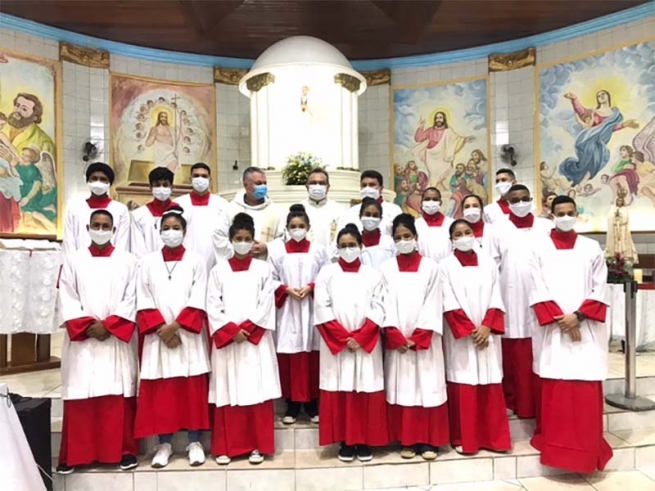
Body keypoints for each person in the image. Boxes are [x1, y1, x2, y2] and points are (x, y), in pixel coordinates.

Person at [529, 195, 613, 473]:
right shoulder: (538, 248)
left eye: (570, 212)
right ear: (551, 215)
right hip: (554, 331)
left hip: (586, 330)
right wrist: (562, 321)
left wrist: (577, 317)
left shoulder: (591, 248)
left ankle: (587, 450)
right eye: (560, 213)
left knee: (584, 389)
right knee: (557, 390)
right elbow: (536, 288)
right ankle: (556, 448)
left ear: (577, 214)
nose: (565, 217)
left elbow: (601, 288)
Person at [56, 210, 138, 474]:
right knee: (80, 391)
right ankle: (74, 455)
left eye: (105, 225)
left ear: (114, 230)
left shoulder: (128, 260)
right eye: (96, 225)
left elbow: (133, 297)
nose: (100, 229)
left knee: (117, 391)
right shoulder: (73, 260)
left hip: (115, 340)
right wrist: (88, 326)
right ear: (88, 227)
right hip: (84, 340)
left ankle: (123, 451)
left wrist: (111, 325)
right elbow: (66, 296)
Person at [134, 205, 210, 468]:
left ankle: (194, 441)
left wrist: (176, 327)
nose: (171, 233)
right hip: (158, 337)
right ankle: (164, 443)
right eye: (166, 228)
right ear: (159, 231)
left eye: (176, 228)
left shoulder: (197, 260)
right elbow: (142, 298)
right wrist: (162, 329)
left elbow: (199, 296)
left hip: (186, 336)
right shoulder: (147, 262)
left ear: (185, 231)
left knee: (191, 390)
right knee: (162, 392)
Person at [207, 213, 281, 465]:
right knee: (228, 392)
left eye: (247, 239)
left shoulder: (263, 268)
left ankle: (257, 446)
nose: (242, 242)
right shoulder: (218, 271)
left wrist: (246, 330)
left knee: (255, 392)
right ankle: (227, 446)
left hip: (254, 343)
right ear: (230, 240)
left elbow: (266, 303)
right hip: (229, 344)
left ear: (253, 241)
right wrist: (230, 331)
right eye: (238, 238)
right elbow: (212, 306)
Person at [314, 223, 388, 462]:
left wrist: (362, 336)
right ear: (337, 248)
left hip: (364, 343)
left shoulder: (373, 275)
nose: (348, 250)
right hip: (339, 344)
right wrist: (342, 337)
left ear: (361, 246)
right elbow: (321, 306)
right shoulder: (327, 273)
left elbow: (380, 306)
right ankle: (345, 441)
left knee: (364, 389)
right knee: (341, 388)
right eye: (343, 246)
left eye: (352, 245)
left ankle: (364, 440)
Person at [381, 214, 448, 461]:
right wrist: (397, 337)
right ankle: (407, 439)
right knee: (405, 388)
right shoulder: (386, 268)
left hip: (425, 341)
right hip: (399, 343)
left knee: (427, 387)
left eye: (407, 236)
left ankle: (429, 440)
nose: (403, 241)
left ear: (416, 238)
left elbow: (434, 302)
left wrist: (420, 336)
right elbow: (383, 302)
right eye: (398, 238)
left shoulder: (431, 267)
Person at [441, 219, 511, 455]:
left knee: (489, 381)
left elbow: (496, 296)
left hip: (486, 333)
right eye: (458, 234)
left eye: (467, 232)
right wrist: (469, 329)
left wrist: (487, 326)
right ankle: (465, 438)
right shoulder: (445, 266)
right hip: (462, 337)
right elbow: (447, 300)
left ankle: (495, 438)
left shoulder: (488, 263)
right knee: (464, 382)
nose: (463, 237)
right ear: (451, 240)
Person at [489, 184, 553, 420]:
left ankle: (539, 401)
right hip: (511, 297)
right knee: (515, 352)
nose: (520, 203)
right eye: (514, 200)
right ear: (507, 202)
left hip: (543, 297)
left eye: (524, 198)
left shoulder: (546, 226)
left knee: (541, 349)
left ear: (531, 199)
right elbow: (492, 266)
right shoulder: (497, 229)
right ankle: (515, 400)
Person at [268, 205, 329, 424]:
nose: (297, 229)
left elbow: (327, 276)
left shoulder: (319, 251)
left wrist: (312, 286)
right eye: (293, 226)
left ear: (308, 227)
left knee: (312, 354)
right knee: (290, 356)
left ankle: (312, 403)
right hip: (288, 311)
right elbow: (270, 278)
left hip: (312, 308)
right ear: (286, 228)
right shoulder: (277, 252)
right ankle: (292, 404)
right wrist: (284, 289)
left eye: (301, 226)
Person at [63, 162, 130, 254]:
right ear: (88, 181)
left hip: (112, 263)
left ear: (109, 183)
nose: (98, 182)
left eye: (103, 179)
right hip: (80, 263)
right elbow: (69, 241)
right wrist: (73, 262)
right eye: (94, 179)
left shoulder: (120, 210)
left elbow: (122, 241)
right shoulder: (75, 208)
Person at [175, 162, 230, 271]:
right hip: (186, 258)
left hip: (215, 258)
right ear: (190, 179)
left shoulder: (223, 204)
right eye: (196, 176)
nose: (200, 179)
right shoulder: (178, 204)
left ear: (210, 180)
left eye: (204, 176)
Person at [222, 166, 285, 260]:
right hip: (237, 265)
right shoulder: (230, 209)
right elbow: (220, 237)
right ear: (245, 184)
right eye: (259, 183)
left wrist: (267, 247)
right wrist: (239, 249)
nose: (263, 187)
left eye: (265, 183)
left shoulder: (276, 210)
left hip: (265, 265)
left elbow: (284, 237)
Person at [338, 170, 402, 236]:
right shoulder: (350, 212)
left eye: (372, 185)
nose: (367, 188)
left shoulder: (394, 210)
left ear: (381, 188)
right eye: (364, 185)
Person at [130, 167, 174, 258]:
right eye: (157, 185)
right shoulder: (139, 215)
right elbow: (137, 248)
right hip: (148, 267)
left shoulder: (181, 212)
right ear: (150, 187)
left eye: (165, 185)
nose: (161, 188)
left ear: (172, 187)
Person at [301, 168, 347, 248]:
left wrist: (330, 254)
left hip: (333, 258)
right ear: (307, 186)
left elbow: (343, 235)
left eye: (322, 183)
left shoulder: (339, 210)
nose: (317, 186)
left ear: (328, 187)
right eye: (313, 183)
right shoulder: (300, 208)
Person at [415, 187, 453, 265]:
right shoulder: (415, 225)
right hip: (423, 268)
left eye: (435, 199)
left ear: (440, 202)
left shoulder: (451, 224)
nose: (431, 202)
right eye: (427, 199)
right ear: (421, 202)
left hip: (447, 268)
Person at [357, 198, 396, 270]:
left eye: (375, 215)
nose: (371, 218)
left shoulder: (389, 243)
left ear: (380, 218)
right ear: (360, 216)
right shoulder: (355, 243)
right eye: (367, 214)